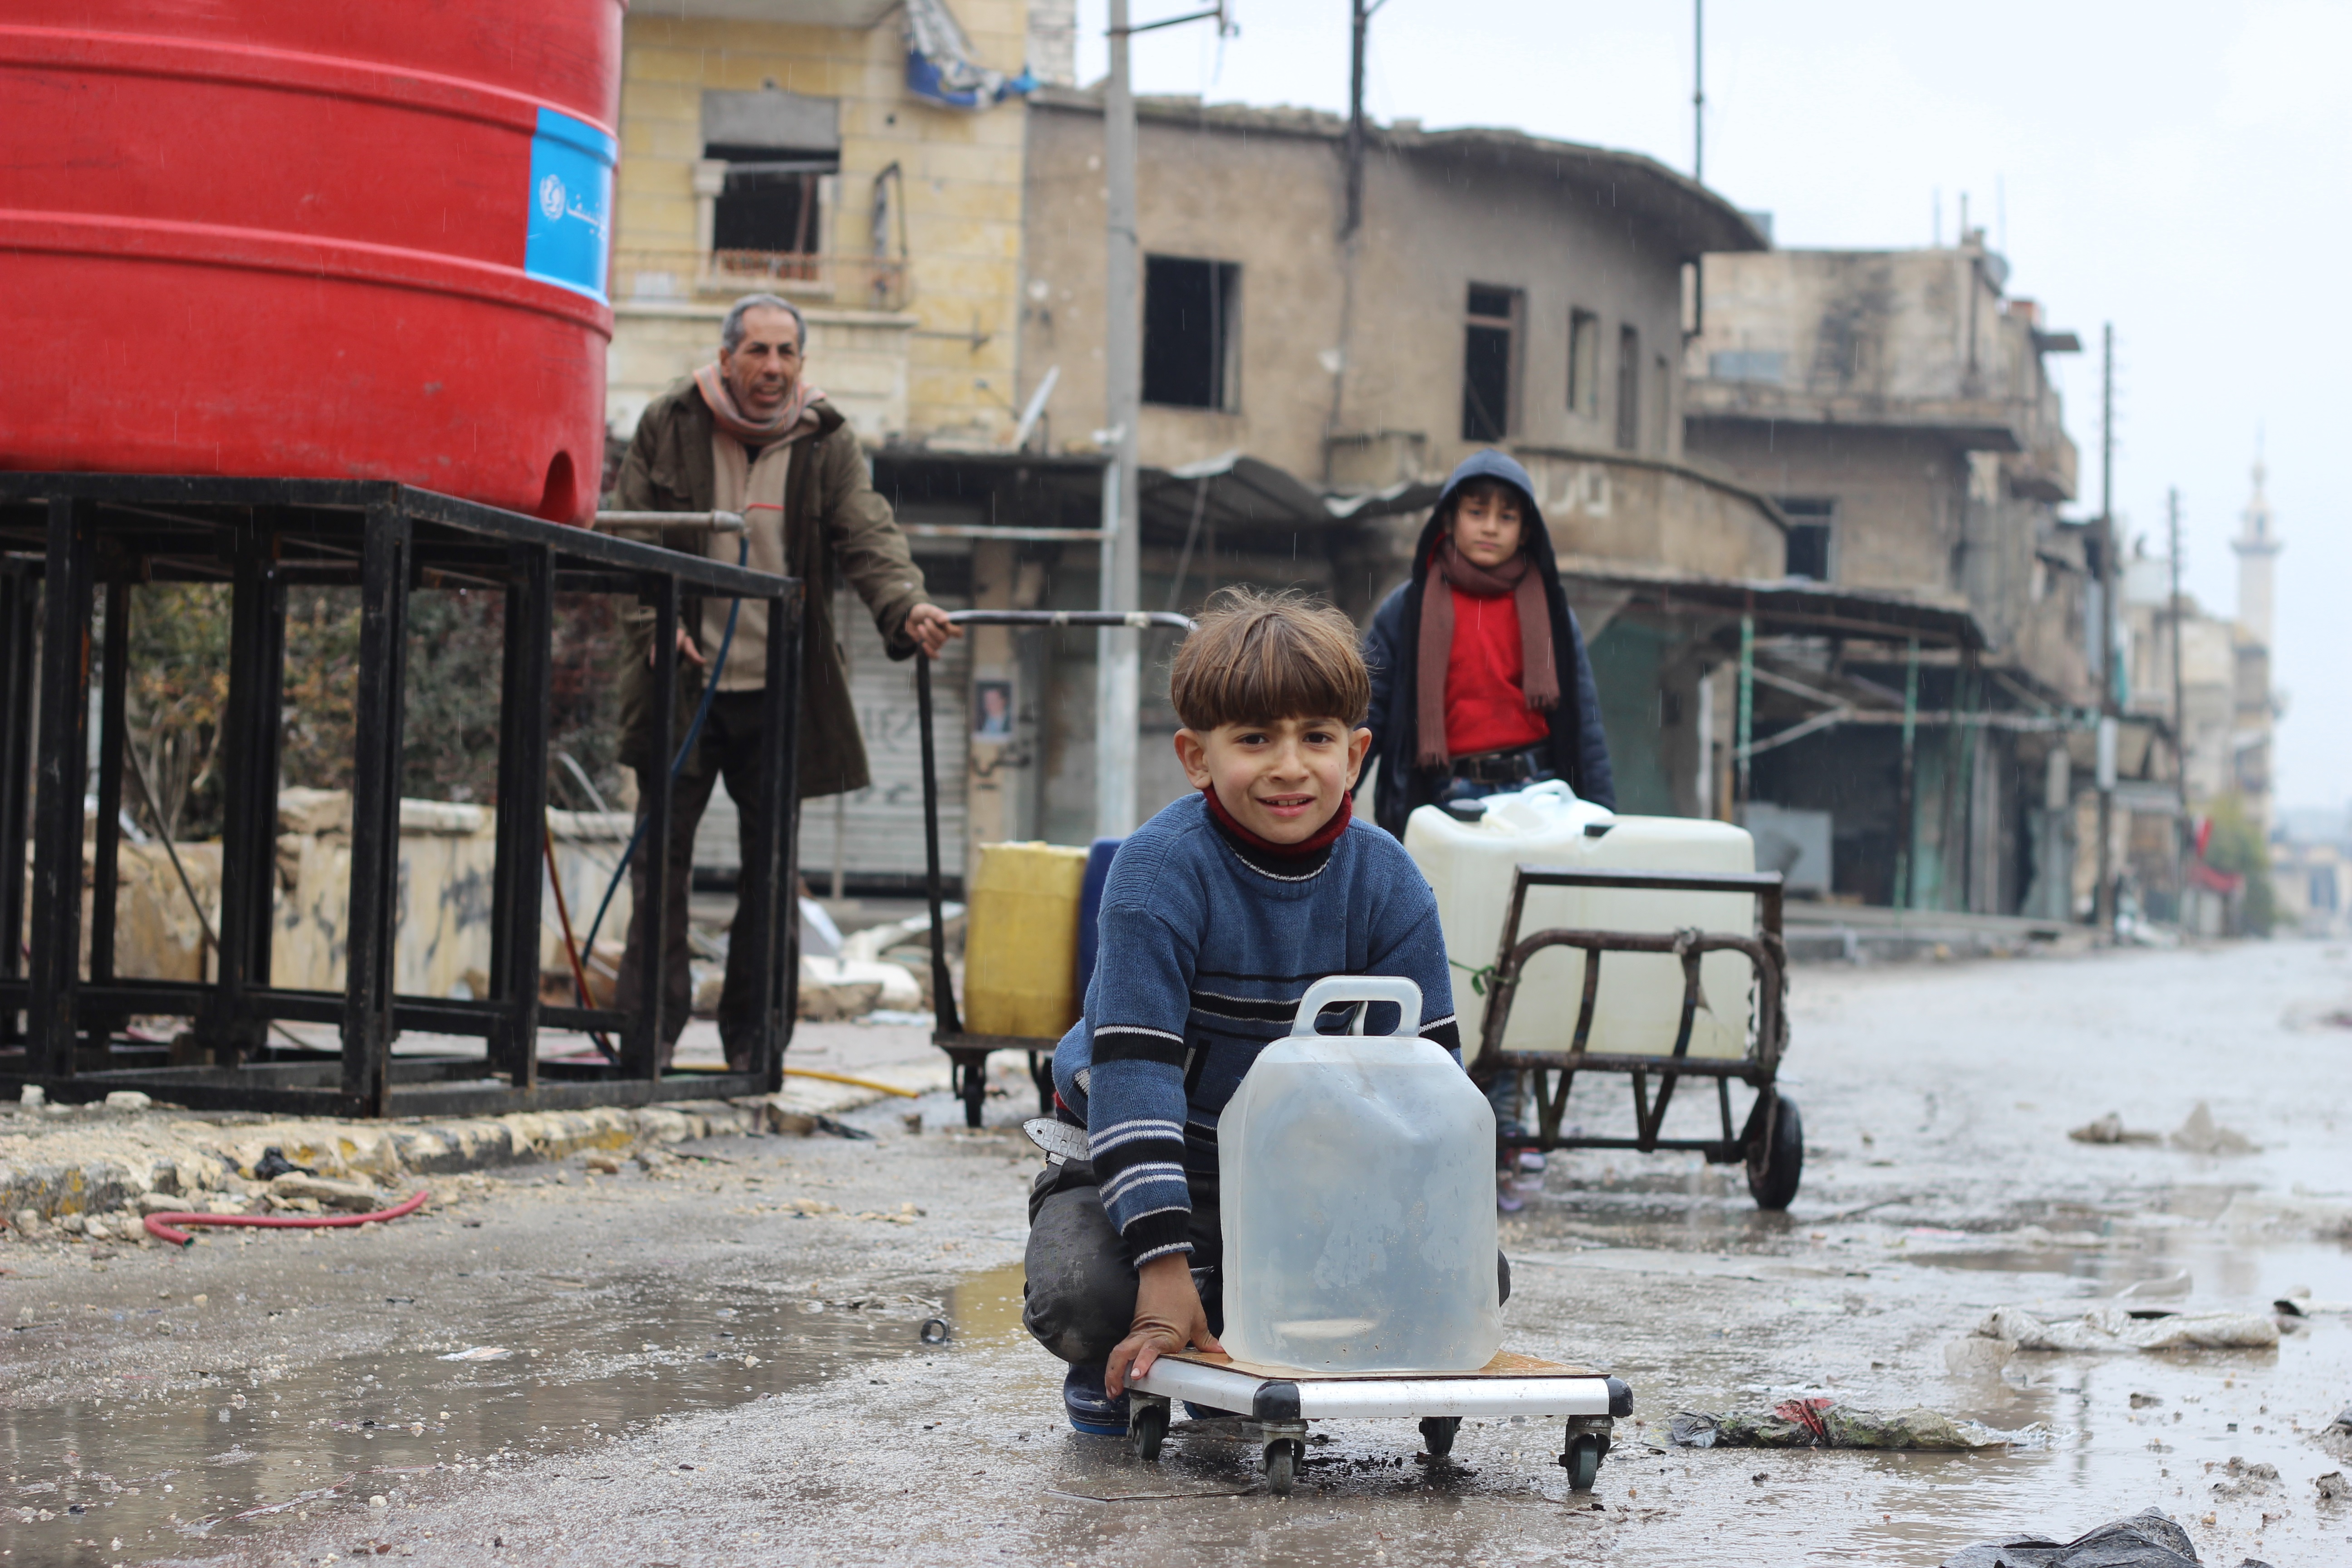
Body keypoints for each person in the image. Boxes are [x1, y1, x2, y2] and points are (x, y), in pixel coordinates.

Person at [1020, 589, 1472, 1436]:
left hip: (1307, 1184)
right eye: (1255, 738)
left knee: (1473, 1270)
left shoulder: (1391, 883)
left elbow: (1431, 1095)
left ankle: (1223, 1340)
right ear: (1196, 757)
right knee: (1087, 1290)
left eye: (1317, 738)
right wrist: (1161, 1264)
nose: (1290, 766)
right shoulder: (1158, 875)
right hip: (1152, 1162)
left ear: (1357, 751)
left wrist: (1422, 1270)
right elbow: (1136, 1075)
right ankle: (1131, 1354)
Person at [608, 293, 960, 1069]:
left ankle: (755, 1052)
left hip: (778, 691)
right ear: (727, 356)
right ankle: (646, 1043)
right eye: (757, 351)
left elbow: (867, 531)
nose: (772, 368)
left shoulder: (826, 439)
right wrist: (655, 627)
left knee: (771, 879)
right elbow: (628, 537)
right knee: (659, 867)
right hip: (681, 688)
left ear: (802, 362)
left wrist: (905, 606)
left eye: (786, 353)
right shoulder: (671, 420)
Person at [1361, 450, 1615, 1205]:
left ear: (1528, 531)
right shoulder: (1405, 611)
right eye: (1478, 511)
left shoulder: (1550, 611)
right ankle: (1452, 1114)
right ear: (1448, 519)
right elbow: (1366, 714)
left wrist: (1605, 818)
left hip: (1538, 798)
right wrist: (1334, 787)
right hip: (1445, 807)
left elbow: (1586, 724)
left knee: (1529, 957)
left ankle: (1507, 1118)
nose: (1491, 528)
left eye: (1508, 516)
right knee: (1455, 960)